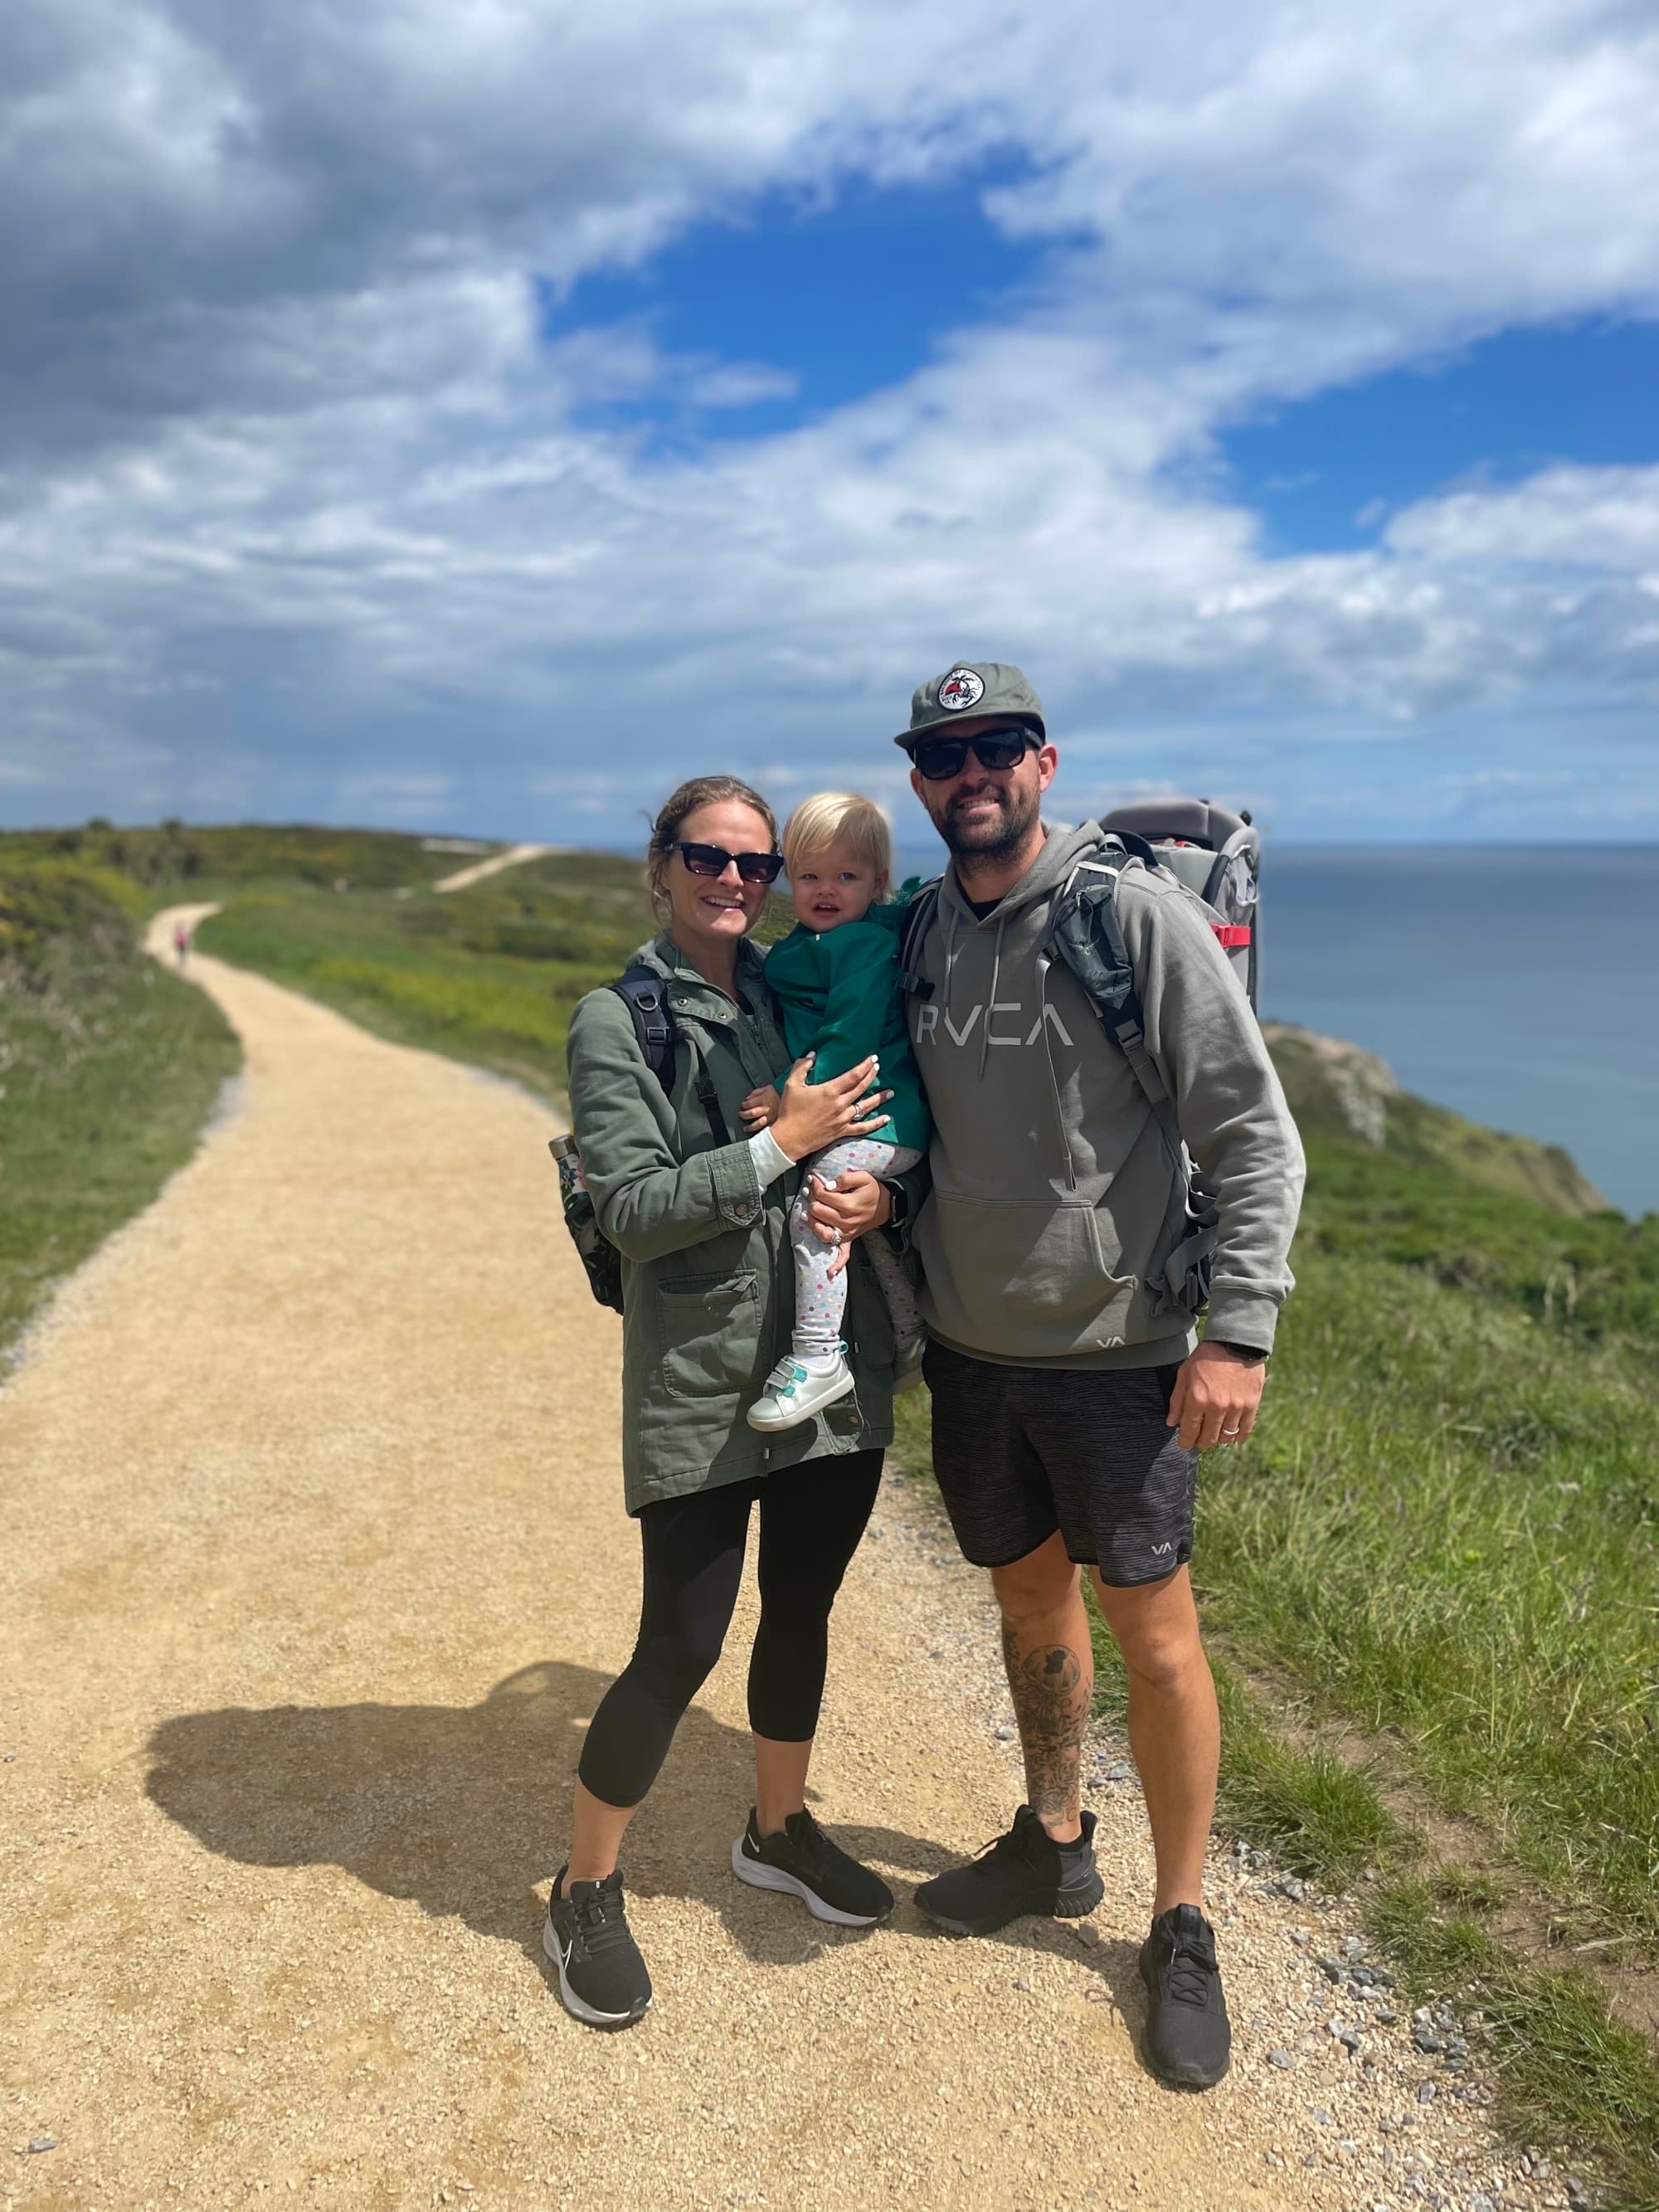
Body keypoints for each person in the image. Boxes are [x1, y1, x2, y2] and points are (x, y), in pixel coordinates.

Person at [888, 662, 1306, 2089]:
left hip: (1122, 1355)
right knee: (1026, 1596)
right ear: (919, 781)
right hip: (973, 1350)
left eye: (997, 746)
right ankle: (1055, 1838)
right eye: (946, 754)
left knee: (1161, 1637)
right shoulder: (923, 931)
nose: (973, 773)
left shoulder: (1128, 915)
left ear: (1044, 763)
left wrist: (1238, 1327)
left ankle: (1182, 1922)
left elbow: (1252, 1130)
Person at [547, 775, 927, 2032]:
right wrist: (780, 1141)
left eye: (756, 864)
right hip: (705, 1380)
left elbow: (877, 1122)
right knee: (683, 1640)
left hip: (829, 1371)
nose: (736, 881)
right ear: (660, 864)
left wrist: (882, 1199)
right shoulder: (618, 1020)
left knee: (802, 1606)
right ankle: (584, 1884)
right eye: (707, 857)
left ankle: (777, 1824)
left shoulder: (796, 979)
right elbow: (637, 1211)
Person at [738, 793, 929, 1432]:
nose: (825, 890)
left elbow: (850, 1040)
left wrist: (785, 1092)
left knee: (816, 1207)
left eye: (846, 876)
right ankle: (911, 1333)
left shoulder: (863, 947)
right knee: (858, 1227)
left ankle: (819, 1356)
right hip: (871, 1117)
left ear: (875, 883)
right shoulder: (806, 942)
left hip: (881, 1115)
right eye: (810, 875)